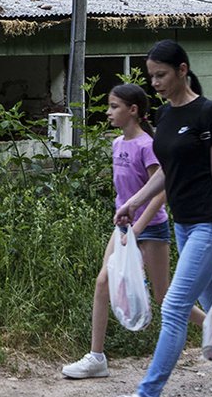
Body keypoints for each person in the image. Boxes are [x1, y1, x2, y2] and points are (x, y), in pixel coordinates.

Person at [96, 39, 212, 397]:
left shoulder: (209, 113)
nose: (155, 83)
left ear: (183, 70)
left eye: (162, 75)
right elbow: (167, 171)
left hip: (211, 224)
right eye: (151, 77)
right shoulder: (165, 116)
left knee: (174, 307)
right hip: (182, 224)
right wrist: (133, 201)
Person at [62, 84, 172, 379]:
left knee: (166, 298)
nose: (108, 112)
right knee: (103, 282)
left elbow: (160, 194)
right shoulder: (117, 144)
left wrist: (137, 228)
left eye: (114, 107)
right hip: (125, 228)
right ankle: (96, 357)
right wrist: (125, 224)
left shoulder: (147, 145)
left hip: (150, 228)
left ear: (133, 110)